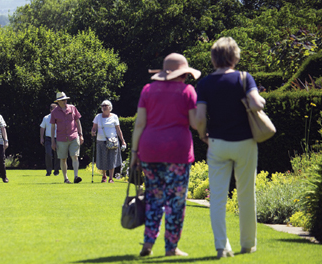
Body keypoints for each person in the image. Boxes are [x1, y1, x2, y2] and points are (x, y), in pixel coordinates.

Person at [195, 37, 265, 258]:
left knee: (217, 197)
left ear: (213, 58)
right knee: (246, 194)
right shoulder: (244, 78)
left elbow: (199, 119)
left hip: (217, 143)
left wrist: (203, 135)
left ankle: (222, 247)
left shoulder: (204, 83)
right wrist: (261, 101)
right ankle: (247, 244)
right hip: (245, 142)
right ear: (235, 56)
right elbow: (255, 103)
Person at [130, 53, 200, 257]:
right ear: (182, 74)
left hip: (150, 150)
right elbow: (195, 123)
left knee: (153, 198)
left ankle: (148, 243)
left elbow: (140, 124)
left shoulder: (148, 90)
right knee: (175, 201)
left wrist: (134, 152)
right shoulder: (188, 91)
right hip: (177, 151)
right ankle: (171, 247)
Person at [50, 92, 84, 184]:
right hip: (61, 138)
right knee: (63, 158)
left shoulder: (73, 108)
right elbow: (52, 127)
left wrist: (81, 135)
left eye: (65, 100)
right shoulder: (54, 112)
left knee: (75, 156)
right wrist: (52, 141)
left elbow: (78, 121)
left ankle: (76, 176)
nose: (65, 101)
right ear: (58, 102)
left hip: (74, 136)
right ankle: (66, 178)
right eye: (62, 100)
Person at [91, 100, 126, 183]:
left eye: (105, 105)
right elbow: (94, 127)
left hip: (112, 141)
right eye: (102, 105)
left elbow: (118, 130)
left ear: (110, 107)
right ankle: (104, 176)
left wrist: (123, 141)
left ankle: (111, 178)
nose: (103, 107)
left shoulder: (114, 117)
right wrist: (93, 131)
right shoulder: (98, 117)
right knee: (103, 159)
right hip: (101, 140)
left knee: (112, 159)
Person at [40, 103, 60, 176]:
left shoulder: (59, 118)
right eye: (54, 109)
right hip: (48, 138)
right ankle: (48, 171)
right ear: (50, 110)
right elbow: (42, 128)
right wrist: (41, 138)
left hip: (58, 138)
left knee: (57, 155)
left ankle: (56, 171)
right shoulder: (46, 118)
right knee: (48, 153)